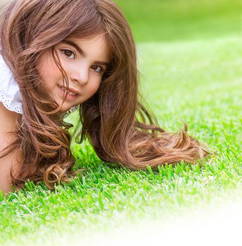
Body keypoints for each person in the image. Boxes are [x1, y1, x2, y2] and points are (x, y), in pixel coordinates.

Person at [0, 0, 210, 194]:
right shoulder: (5, 85)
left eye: (97, 68)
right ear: (30, 37)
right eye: (68, 53)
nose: (81, 77)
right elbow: (8, 183)